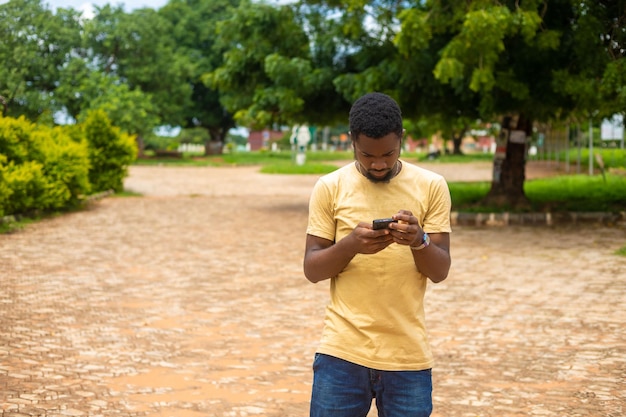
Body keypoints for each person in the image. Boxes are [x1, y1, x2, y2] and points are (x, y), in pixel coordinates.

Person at [303, 92, 452, 417]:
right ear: (352, 141)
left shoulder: (432, 186)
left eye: (388, 153)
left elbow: (440, 270)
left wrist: (418, 240)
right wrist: (350, 245)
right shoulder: (330, 186)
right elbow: (312, 268)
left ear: (402, 139)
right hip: (341, 352)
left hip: (407, 355)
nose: (379, 164)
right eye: (367, 155)